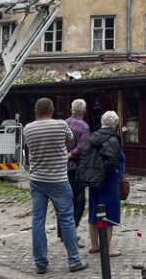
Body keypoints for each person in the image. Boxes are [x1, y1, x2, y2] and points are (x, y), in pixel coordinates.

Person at [22, 97, 88, 274]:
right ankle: (74, 260)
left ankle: (41, 263)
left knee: (38, 220)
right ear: (52, 110)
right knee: (66, 219)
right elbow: (70, 139)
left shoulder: (27, 128)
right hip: (58, 179)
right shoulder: (60, 125)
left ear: (35, 112)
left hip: (37, 180)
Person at [78, 110, 124, 257]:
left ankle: (94, 245)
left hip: (93, 181)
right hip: (108, 181)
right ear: (115, 124)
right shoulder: (113, 138)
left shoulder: (93, 136)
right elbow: (111, 161)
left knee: (94, 210)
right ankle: (107, 248)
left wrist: (92, 173)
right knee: (108, 215)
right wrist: (101, 172)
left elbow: (85, 155)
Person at [57, 99, 90, 248]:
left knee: (63, 201)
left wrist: (64, 155)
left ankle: (60, 231)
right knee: (78, 202)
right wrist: (70, 155)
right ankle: (70, 233)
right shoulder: (84, 127)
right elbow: (83, 148)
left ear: (71, 110)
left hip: (61, 169)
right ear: (84, 111)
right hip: (76, 169)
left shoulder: (63, 123)